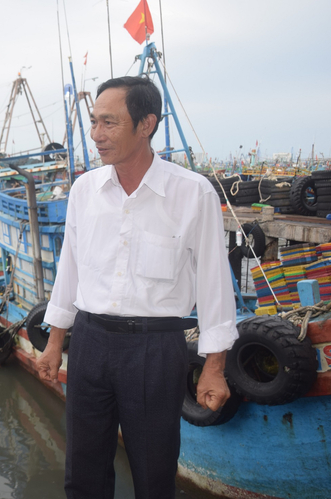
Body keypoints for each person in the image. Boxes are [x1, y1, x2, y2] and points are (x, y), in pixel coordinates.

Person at [36, 76, 238, 499]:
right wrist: (55, 342)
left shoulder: (191, 193)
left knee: (154, 472)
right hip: (89, 343)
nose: (96, 135)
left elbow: (216, 287)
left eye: (108, 123)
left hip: (154, 350)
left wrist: (214, 367)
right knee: (83, 471)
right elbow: (69, 272)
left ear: (146, 124)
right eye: (94, 122)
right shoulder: (84, 191)